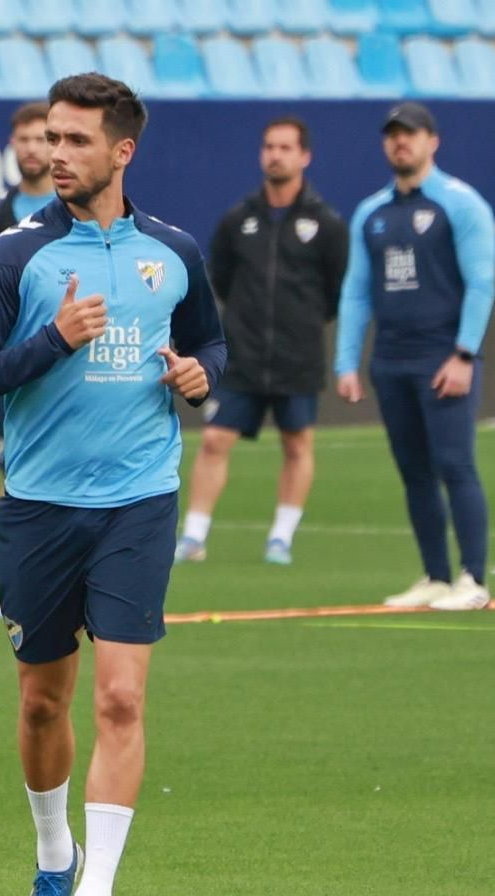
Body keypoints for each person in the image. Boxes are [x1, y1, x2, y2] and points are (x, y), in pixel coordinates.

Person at [0, 74, 226, 896]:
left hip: (138, 500)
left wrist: (200, 375)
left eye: (73, 141)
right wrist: (51, 343)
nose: (55, 154)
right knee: (40, 705)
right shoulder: (17, 256)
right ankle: (53, 855)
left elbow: (209, 338)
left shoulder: (174, 250)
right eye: (50, 139)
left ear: (121, 151)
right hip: (37, 509)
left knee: (122, 694)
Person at [334, 102, 495, 611]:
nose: (400, 143)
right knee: (414, 471)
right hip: (391, 359)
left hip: (442, 355)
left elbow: (482, 282)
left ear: (433, 141)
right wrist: (346, 362)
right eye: (393, 136)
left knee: (455, 464)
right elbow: (356, 292)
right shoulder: (372, 212)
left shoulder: (460, 203)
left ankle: (473, 579)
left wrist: (465, 353)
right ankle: (435, 575)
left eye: (411, 134)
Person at [176, 116, 348, 567]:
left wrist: (300, 323)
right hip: (242, 356)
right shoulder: (238, 220)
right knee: (214, 440)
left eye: (286, 148)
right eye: (269, 146)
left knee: (296, 444)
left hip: (297, 357)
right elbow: (223, 283)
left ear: (304, 156)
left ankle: (281, 536)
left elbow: (333, 292)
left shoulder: (326, 224)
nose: (276, 154)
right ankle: (193, 536)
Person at [0, 101, 54, 619]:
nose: (31, 149)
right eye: (22, 139)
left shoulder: (75, 210)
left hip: (68, 360)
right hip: (14, 368)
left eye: (40, 138)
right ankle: (18, 593)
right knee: (14, 477)